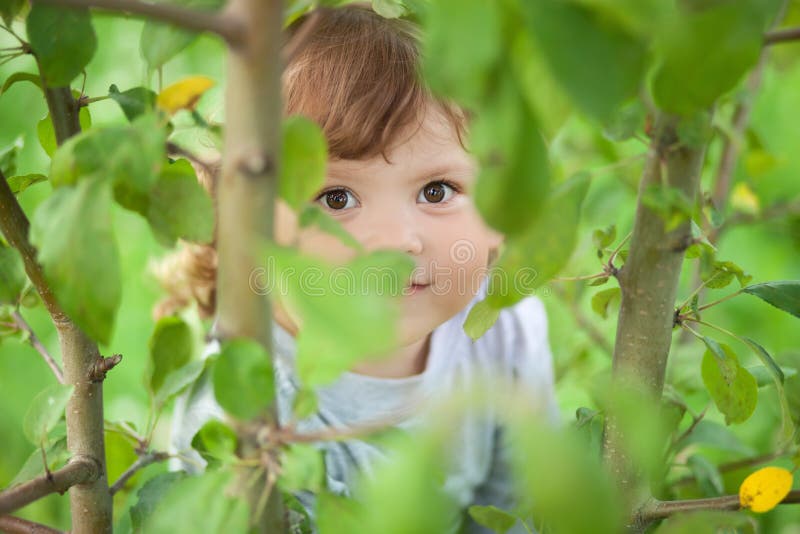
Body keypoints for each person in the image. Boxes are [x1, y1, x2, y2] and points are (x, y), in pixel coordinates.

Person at [163, 4, 558, 533]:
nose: (396, 240)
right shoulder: (237, 406)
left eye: (437, 191)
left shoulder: (505, 331)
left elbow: (515, 512)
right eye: (335, 197)